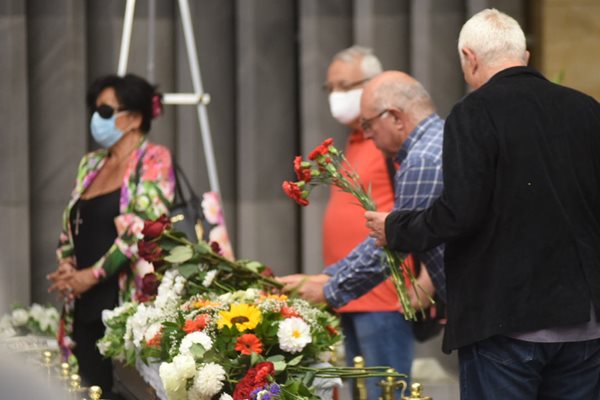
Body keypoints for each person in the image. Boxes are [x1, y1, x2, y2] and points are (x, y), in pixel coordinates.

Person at [365, 9, 600, 400]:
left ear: (470, 58)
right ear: (524, 56)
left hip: (507, 322)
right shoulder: (587, 109)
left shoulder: (473, 113)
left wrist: (395, 228)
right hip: (586, 324)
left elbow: (460, 212)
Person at [279, 70, 446, 387]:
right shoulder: (412, 149)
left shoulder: (422, 158)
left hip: (383, 299)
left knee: (385, 390)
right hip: (358, 291)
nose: (367, 134)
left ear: (395, 117)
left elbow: (397, 239)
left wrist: (329, 287)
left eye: (369, 124)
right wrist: (330, 277)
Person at [47, 74, 175, 398]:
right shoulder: (90, 164)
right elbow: (70, 223)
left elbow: (142, 228)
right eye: (95, 110)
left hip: (125, 309)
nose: (96, 119)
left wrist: (92, 275)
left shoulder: (153, 159)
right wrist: (66, 266)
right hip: (82, 305)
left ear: (133, 117)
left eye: (105, 111)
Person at [319, 46, 415, 398]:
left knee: (385, 392)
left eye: (344, 85)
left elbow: (414, 210)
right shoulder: (355, 140)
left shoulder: (389, 139)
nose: (336, 96)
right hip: (347, 290)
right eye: (330, 88)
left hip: (382, 296)